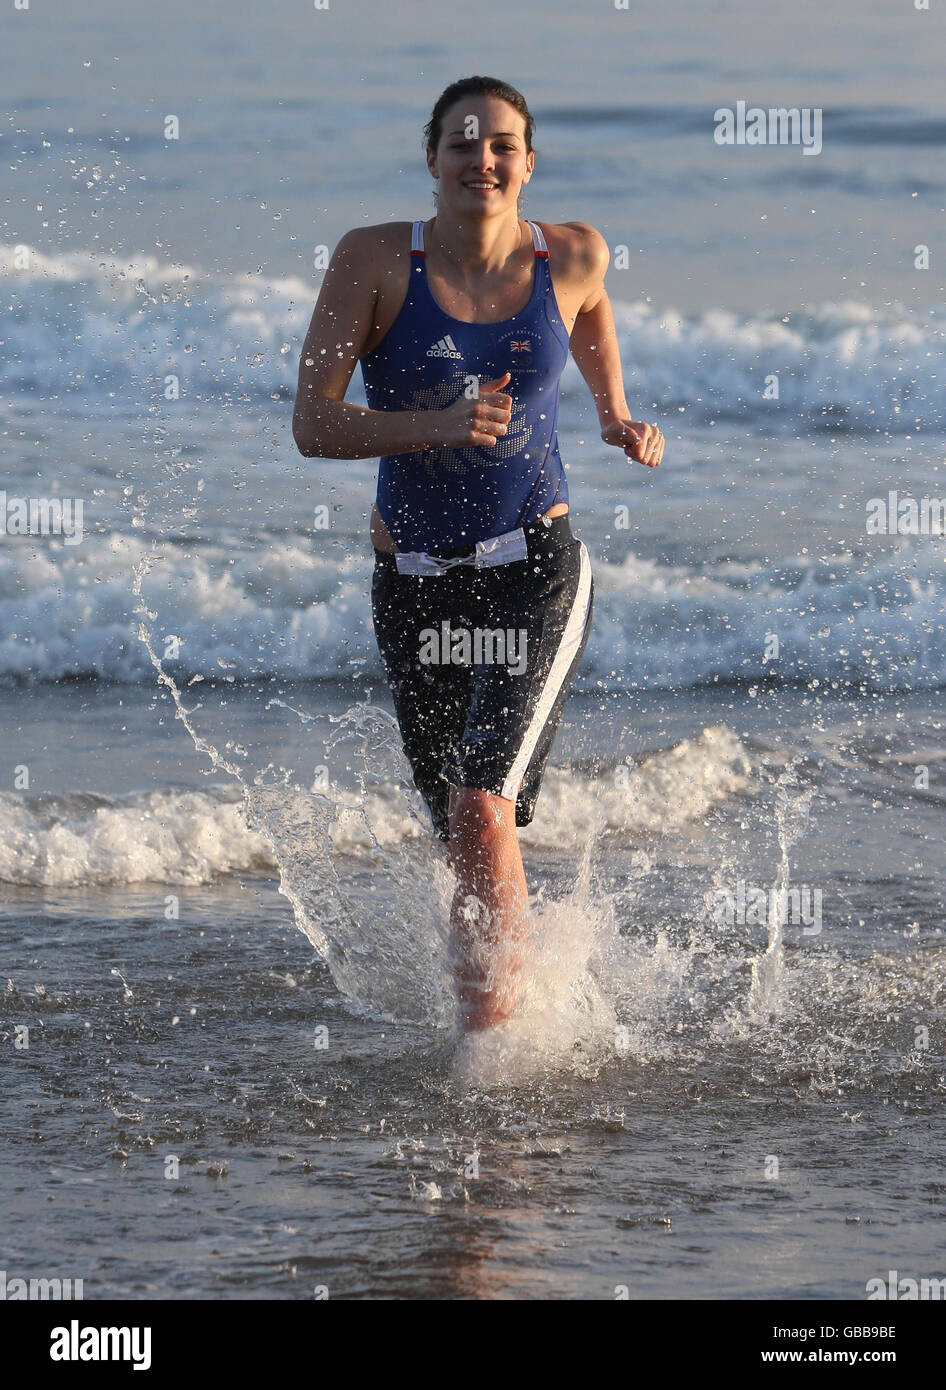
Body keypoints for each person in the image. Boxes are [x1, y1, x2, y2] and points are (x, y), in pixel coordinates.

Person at [293, 76, 664, 1032]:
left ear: (528, 163)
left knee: (480, 808)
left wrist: (612, 412)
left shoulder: (571, 253)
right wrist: (440, 425)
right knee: (459, 827)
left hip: (534, 566)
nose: (482, 161)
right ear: (432, 161)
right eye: (462, 145)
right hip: (414, 586)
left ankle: (492, 1064)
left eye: (502, 145)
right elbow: (314, 425)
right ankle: (507, 1013)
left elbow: (590, 313)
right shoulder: (373, 263)